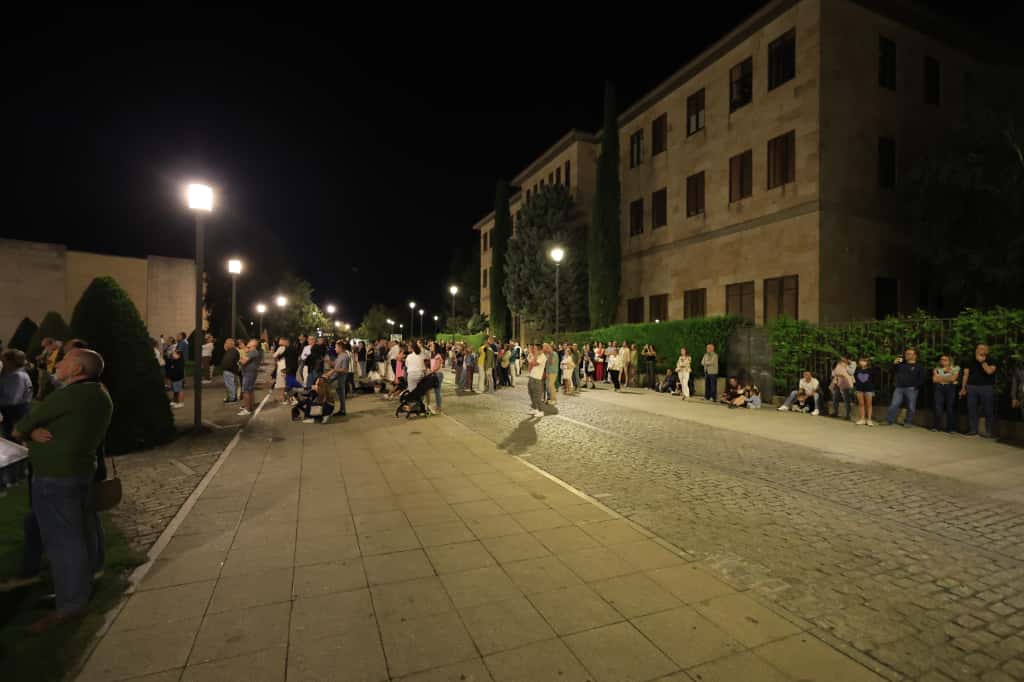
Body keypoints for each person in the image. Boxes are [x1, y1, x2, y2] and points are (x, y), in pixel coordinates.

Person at [13, 348, 113, 633]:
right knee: (84, 530)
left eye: (65, 361)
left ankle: (71, 605)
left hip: (56, 476)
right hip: (81, 471)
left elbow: (20, 428)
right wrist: (34, 431)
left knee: (62, 542)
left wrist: (30, 432)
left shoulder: (68, 396)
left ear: (78, 369)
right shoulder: (100, 394)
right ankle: (86, 582)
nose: (58, 364)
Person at [961, 344, 997, 438]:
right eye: (980, 348)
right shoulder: (969, 359)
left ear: (987, 351)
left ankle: (989, 431)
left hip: (986, 387)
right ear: (976, 350)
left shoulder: (991, 359)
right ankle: (973, 430)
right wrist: (963, 388)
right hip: (971, 387)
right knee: (972, 409)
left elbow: (989, 371)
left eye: (984, 349)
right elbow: (966, 374)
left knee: (988, 409)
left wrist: (983, 362)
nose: (982, 350)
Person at [884, 348, 925, 427]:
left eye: (909, 354)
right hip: (899, 388)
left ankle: (908, 422)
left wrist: (915, 386)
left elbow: (921, 378)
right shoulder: (901, 364)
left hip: (911, 389)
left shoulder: (919, 366)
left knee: (911, 406)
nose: (906, 355)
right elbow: (891, 371)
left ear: (915, 356)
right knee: (894, 404)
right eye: (906, 353)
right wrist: (894, 364)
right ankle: (889, 420)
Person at [0, 350, 34, 439]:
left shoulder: (17, 377)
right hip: (11, 411)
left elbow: (13, 400)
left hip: (16, 413)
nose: (1, 362)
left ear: (10, 362)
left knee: (12, 438)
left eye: (3, 360)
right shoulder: (10, 373)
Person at [932, 354, 960, 433]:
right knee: (938, 407)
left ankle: (951, 428)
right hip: (939, 388)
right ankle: (936, 427)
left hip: (950, 388)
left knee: (950, 408)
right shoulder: (937, 369)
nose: (942, 361)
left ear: (949, 361)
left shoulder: (955, 368)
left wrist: (941, 378)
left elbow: (953, 378)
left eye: (945, 360)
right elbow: (934, 380)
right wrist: (948, 378)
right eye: (941, 359)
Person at [853, 357, 880, 426]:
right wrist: (855, 386)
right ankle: (862, 419)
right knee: (861, 404)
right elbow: (854, 378)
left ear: (867, 362)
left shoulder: (871, 370)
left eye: (864, 361)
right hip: (859, 389)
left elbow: (875, 378)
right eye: (861, 360)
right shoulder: (857, 369)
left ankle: (869, 419)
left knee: (869, 405)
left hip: (869, 389)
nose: (862, 362)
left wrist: (873, 387)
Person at [238, 339, 261, 416]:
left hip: (249, 374)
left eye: (249, 342)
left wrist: (240, 360)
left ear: (253, 344)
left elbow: (243, 361)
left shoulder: (253, 352)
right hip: (249, 373)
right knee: (249, 390)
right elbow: (245, 352)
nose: (248, 343)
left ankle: (247, 409)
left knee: (246, 391)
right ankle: (250, 406)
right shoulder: (252, 351)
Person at [527, 344, 547, 417]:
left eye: (535, 349)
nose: (533, 350)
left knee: (537, 395)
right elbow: (530, 365)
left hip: (537, 378)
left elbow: (534, 363)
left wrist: (534, 356)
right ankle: (535, 408)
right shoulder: (536, 356)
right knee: (531, 393)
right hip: (531, 376)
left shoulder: (542, 357)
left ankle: (541, 411)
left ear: (539, 350)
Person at [220, 338, 241, 403]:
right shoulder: (232, 351)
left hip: (229, 370)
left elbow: (231, 361)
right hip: (229, 370)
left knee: (230, 384)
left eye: (226, 343)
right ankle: (231, 397)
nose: (225, 344)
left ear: (231, 344)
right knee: (230, 384)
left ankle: (232, 398)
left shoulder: (233, 351)